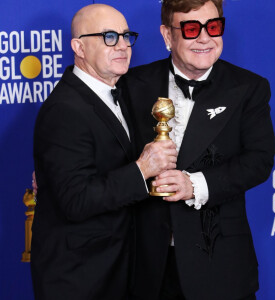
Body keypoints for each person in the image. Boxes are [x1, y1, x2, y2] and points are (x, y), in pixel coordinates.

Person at [123, 0, 275, 299]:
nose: (205, 38)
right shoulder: (132, 84)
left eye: (214, 27)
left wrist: (194, 184)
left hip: (219, 260)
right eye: (192, 29)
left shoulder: (249, 87)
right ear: (168, 36)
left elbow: (259, 161)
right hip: (146, 263)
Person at [30, 4, 177, 300]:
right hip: (81, 279)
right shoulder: (64, 110)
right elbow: (76, 200)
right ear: (79, 47)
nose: (122, 45)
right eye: (109, 37)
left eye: (126, 36)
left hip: (121, 271)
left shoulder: (121, 93)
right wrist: (142, 169)